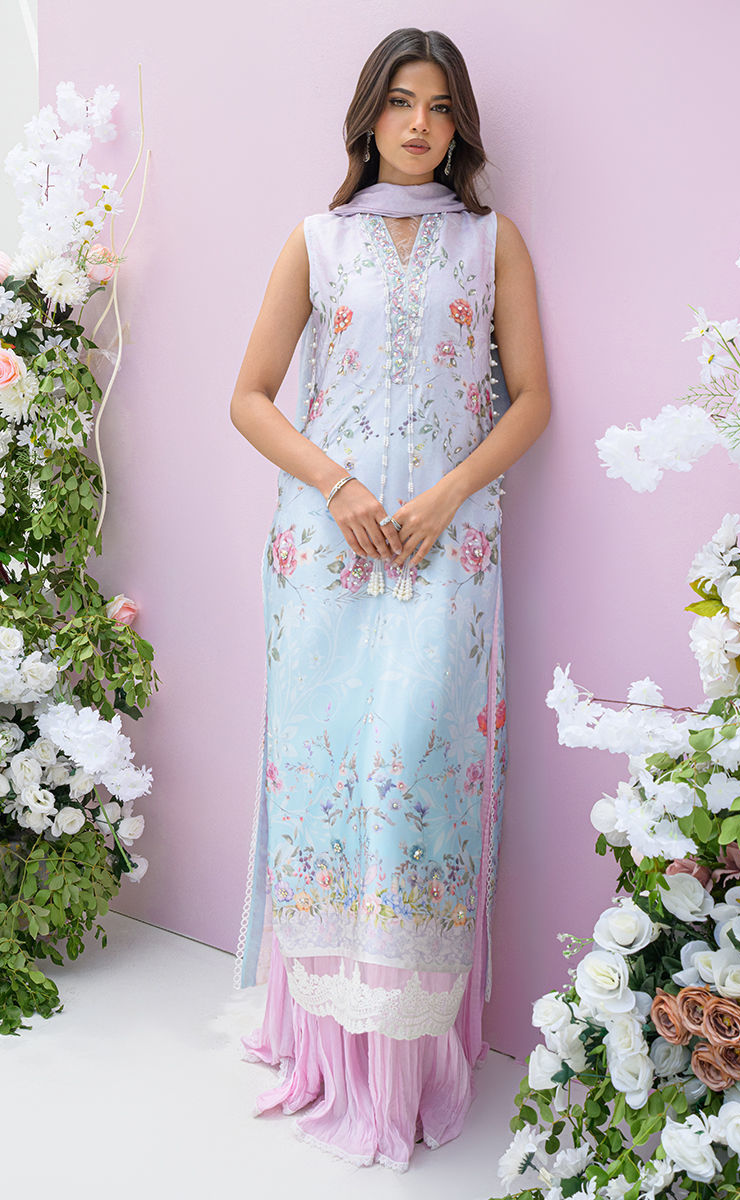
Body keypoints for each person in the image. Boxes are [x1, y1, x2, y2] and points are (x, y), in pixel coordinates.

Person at [229, 26, 550, 1171]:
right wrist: (340, 485)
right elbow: (250, 397)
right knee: (325, 780)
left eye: (440, 106)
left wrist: (448, 495)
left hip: (447, 551)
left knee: (411, 771)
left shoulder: (490, 242)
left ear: (459, 126)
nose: (419, 124)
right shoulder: (316, 241)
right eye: (401, 102)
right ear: (368, 116)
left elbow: (529, 400)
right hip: (324, 551)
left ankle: (403, 1070)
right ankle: (318, 1051)